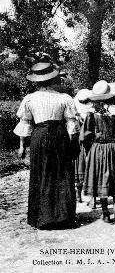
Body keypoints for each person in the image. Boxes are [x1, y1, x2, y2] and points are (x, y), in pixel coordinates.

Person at [14, 58, 79, 229]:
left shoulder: (30, 99)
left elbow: (26, 123)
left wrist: (22, 145)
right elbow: (72, 124)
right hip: (60, 136)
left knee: (41, 173)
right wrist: (72, 143)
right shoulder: (64, 98)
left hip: (39, 137)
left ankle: (42, 217)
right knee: (61, 173)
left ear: (36, 81)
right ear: (53, 79)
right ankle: (62, 216)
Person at [81, 80, 115, 223]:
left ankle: (105, 212)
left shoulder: (91, 114)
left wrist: (89, 148)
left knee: (100, 178)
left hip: (98, 148)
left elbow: (85, 136)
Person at [73, 89, 94, 203]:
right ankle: (91, 197)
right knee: (91, 167)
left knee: (80, 167)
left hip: (80, 143)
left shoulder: (75, 113)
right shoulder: (93, 113)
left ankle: (78, 194)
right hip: (90, 143)